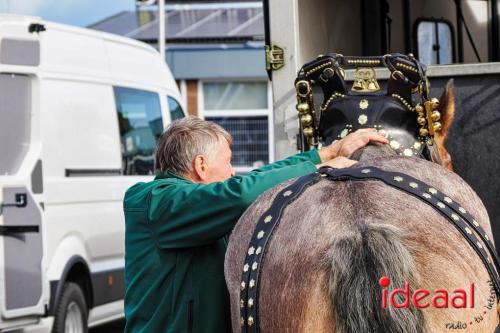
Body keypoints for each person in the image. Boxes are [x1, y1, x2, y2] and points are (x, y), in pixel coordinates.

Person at [123, 117, 388, 332]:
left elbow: (253, 180)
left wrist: (326, 153)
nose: (231, 172)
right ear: (201, 166)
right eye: (227, 163)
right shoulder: (152, 202)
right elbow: (240, 193)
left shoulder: (200, 204)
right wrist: (321, 169)